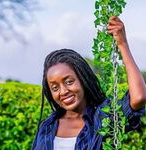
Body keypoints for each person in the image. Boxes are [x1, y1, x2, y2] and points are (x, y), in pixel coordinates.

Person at [32, 16, 145, 150]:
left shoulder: (104, 119)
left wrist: (122, 44)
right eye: (55, 87)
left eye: (69, 81)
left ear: (82, 79)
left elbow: (139, 97)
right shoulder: (47, 127)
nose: (63, 91)